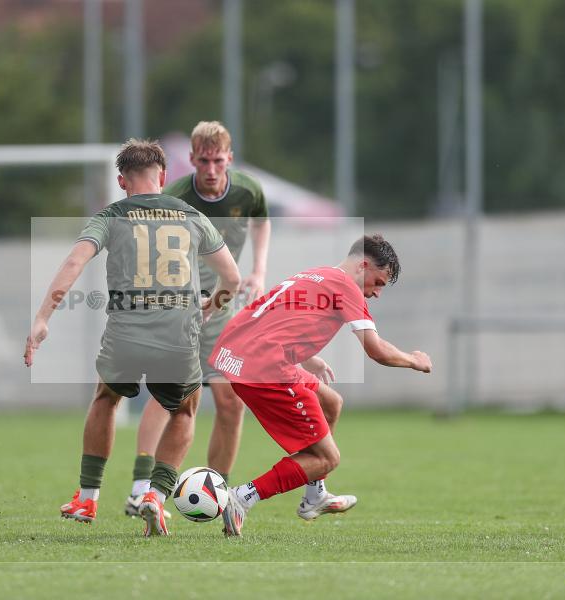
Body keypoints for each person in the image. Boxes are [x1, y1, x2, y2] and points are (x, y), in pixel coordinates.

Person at [24, 139, 240, 536]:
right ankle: (155, 495)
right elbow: (232, 278)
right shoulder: (191, 215)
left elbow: (75, 261)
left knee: (106, 399)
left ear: (122, 181)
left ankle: (87, 498)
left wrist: (43, 316)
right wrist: (213, 304)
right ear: (163, 176)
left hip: (125, 333)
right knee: (185, 410)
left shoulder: (111, 215)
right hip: (177, 333)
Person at [209, 234, 432, 537]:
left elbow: (277, 316)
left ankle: (315, 496)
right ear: (363, 265)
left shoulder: (315, 274)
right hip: (265, 368)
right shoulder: (345, 288)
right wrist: (413, 359)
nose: (376, 293)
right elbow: (376, 350)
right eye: (377, 283)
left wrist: (307, 357)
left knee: (331, 402)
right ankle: (241, 498)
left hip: (238, 355)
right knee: (328, 458)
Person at [124, 121, 271, 517]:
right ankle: (141, 489)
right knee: (172, 398)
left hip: (221, 312)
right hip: (178, 308)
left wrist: (258, 270)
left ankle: (218, 493)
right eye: (203, 161)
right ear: (191, 160)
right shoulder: (173, 196)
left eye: (218, 161)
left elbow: (261, 221)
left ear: (230, 159)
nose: (210, 168)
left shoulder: (248, 190)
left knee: (231, 401)